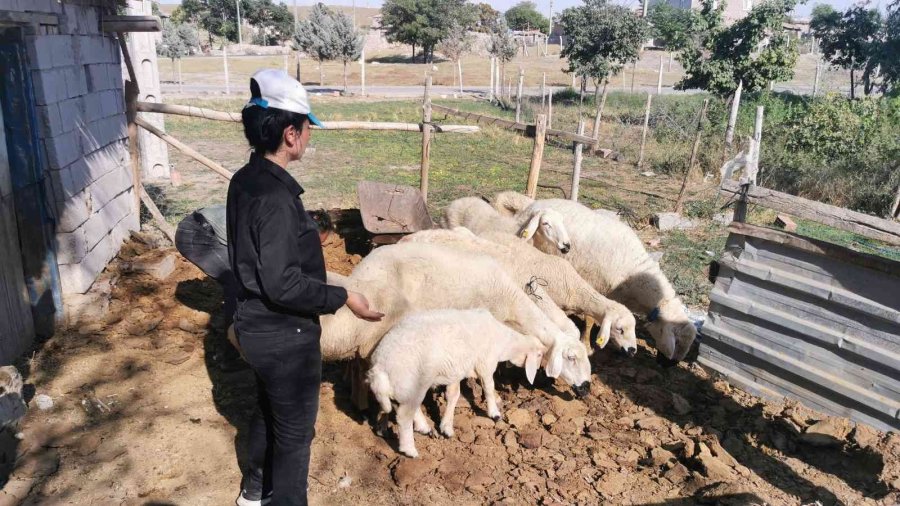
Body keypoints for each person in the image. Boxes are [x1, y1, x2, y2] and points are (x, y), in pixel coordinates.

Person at [228, 69, 383, 506]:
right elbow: (283, 283)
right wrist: (344, 296)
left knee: (267, 409)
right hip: (283, 333)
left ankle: (255, 491)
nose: (310, 135)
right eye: (308, 126)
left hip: (254, 327)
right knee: (296, 434)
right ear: (291, 134)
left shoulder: (246, 179)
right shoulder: (276, 200)